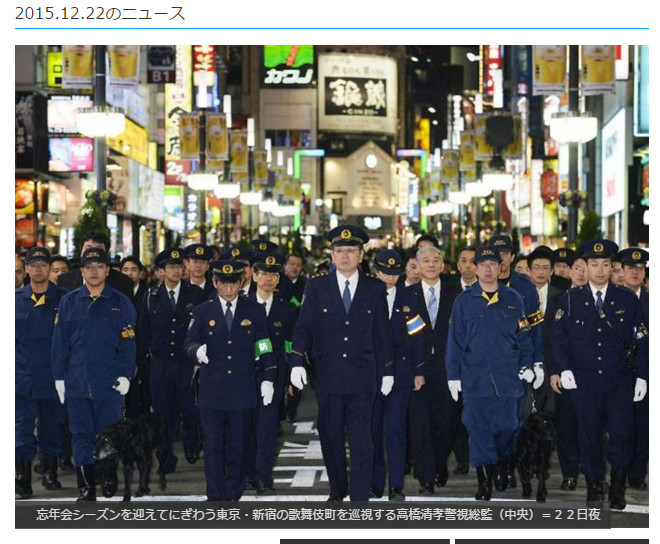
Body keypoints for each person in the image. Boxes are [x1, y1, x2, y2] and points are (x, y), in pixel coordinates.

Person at [289, 225, 394, 501]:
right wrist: (297, 361)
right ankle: (338, 488)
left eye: (351, 251)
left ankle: (360, 496)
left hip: (363, 375)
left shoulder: (375, 288)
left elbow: (382, 332)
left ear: (361, 255)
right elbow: (304, 327)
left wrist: (388, 370)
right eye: (339, 251)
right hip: (328, 375)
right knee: (330, 434)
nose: (344, 256)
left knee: (362, 438)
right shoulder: (317, 286)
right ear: (331, 256)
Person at [551, 239, 648, 510]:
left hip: (618, 381)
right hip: (585, 381)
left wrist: (642, 376)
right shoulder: (570, 299)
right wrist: (563, 368)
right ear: (585, 266)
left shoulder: (627, 299)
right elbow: (558, 339)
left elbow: (642, 339)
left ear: (612, 266)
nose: (600, 270)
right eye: (594, 264)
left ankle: (617, 486)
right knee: (589, 434)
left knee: (621, 433)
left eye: (606, 264)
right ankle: (594, 484)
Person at [446, 245, 535, 501]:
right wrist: (453, 375)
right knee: (478, 430)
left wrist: (528, 365)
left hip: (508, 379)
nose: (487, 269)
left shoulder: (514, 300)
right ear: (474, 268)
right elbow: (455, 341)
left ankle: (503, 465)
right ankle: (484, 482)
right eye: (482, 265)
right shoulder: (464, 302)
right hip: (475, 379)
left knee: (508, 427)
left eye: (492, 264)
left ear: (500, 267)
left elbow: (524, 338)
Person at [184, 259, 277, 501]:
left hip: (242, 388)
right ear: (215, 283)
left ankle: (233, 493)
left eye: (233, 283)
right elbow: (190, 341)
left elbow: (264, 345)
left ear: (240, 282)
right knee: (213, 446)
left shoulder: (253, 310)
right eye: (223, 284)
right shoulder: (202, 311)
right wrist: (197, 351)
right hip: (212, 390)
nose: (228, 289)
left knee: (238, 445)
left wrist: (268, 377)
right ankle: (215, 495)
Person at [51, 247, 136, 501]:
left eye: (99, 267)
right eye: (89, 267)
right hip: (77, 382)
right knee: (81, 435)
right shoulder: (69, 302)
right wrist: (59, 377)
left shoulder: (120, 303)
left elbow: (129, 342)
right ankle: (86, 487)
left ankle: (108, 476)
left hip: (108, 382)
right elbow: (60, 343)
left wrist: (125, 374)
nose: (94, 271)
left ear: (108, 271)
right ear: (82, 271)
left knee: (108, 434)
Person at [138, 248, 206, 471]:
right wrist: (141, 362)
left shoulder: (195, 294)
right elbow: (143, 331)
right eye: (171, 267)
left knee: (190, 407)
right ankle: (166, 456)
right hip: (160, 363)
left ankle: (191, 444)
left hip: (187, 362)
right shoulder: (151, 296)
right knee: (162, 412)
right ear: (161, 272)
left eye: (179, 266)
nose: (176, 271)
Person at [405, 245, 462, 494]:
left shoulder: (457, 293)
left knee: (448, 423)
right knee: (420, 425)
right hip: (418, 371)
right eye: (425, 260)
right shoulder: (407, 296)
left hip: (449, 371)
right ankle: (426, 477)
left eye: (435, 260)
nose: (430, 265)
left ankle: (440, 463)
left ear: (442, 265)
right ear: (417, 265)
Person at [370, 249, 426, 501]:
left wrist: (419, 370)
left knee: (395, 428)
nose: (389, 279)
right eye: (384, 273)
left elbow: (417, 336)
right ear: (375, 271)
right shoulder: (365, 296)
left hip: (402, 374)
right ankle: (374, 482)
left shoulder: (409, 297)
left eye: (394, 273)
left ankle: (395, 485)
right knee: (371, 430)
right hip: (370, 373)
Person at [489, 234, 544, 488]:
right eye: (495, 255)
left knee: (517, 419)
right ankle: (496, 466)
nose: (500, 260)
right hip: (489, 365)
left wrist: (537, 362)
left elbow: (536, 327)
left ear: (512, 256)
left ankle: (510, 467)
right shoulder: (481, 283)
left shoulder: (524, 285)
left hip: (519, 364)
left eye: (505, 254)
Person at [15, 247, 69, 499]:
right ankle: (22, 476)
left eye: (42, 264)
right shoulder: (13, 299)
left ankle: (50, 471)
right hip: (20, 377)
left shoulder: (64, 299)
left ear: (49, 269)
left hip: (53, 377)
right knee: (20, 430)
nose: (38, 269)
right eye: (33, 264)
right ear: (26, 269)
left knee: (51, 428)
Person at [243, 252, 297, 495]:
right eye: (263, 273)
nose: (268, 279)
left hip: (273, 379)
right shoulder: (242, 306)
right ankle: (246, 476)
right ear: (253, 276)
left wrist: (288, 379)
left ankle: (264, 478)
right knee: (244, 429)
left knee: (266, 430)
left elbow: (289, 345)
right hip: (243, 377)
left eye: (273, 274)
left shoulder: (286, 310)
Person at [545, 252, 588, 491]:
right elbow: (551, 340)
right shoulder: (558, 300)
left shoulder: (603, 299)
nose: (581, 273)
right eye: (577, 269)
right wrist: (554, 371)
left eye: (585, 268)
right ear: (570, 272)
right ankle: (569, 473)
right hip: (565, 373)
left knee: (592, 425)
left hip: (594, 375)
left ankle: (591, 470)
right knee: (567, 425)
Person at [618, 247, 649, 490]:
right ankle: (619, 470)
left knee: (643, 425)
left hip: (646, 371)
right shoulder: (611, 298)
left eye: (640, 269)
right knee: (619, 426)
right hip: (616, 373)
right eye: (631, 268)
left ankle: (637, 473)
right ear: (622, 270)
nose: (636, 272)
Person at [453, 245, 478, 475]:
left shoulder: (490, 290)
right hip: (455, 364)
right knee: (456, 414)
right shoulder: (448, 290)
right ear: (457, 264)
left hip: (481, 366)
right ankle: (461, 458)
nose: (468, 266)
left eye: (473, 261)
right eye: (464, 261)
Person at [57, 233, 134, 298]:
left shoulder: (123, 282)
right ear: (81, 252)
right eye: (88, 248)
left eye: (98, 249)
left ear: (106, 253)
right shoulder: (65, 280)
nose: (93, 253)